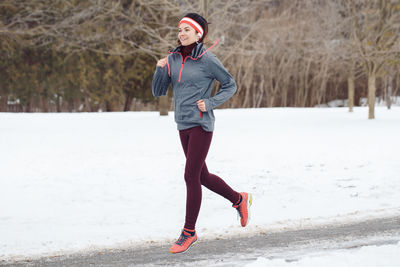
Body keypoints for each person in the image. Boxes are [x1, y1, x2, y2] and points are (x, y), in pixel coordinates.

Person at [152, 13, 252, 254]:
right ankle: (239, 198)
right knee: (202, 176)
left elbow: (230, 84)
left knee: (190, 176)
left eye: (187, 30)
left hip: (201, 125)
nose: (182, 34)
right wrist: (159, 69)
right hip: (182, 124)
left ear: (199, 34)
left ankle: (189, 232)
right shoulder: (173, 58)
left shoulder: (208, 59)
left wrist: (210, 102)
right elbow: (158, 91)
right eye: (180, 30)